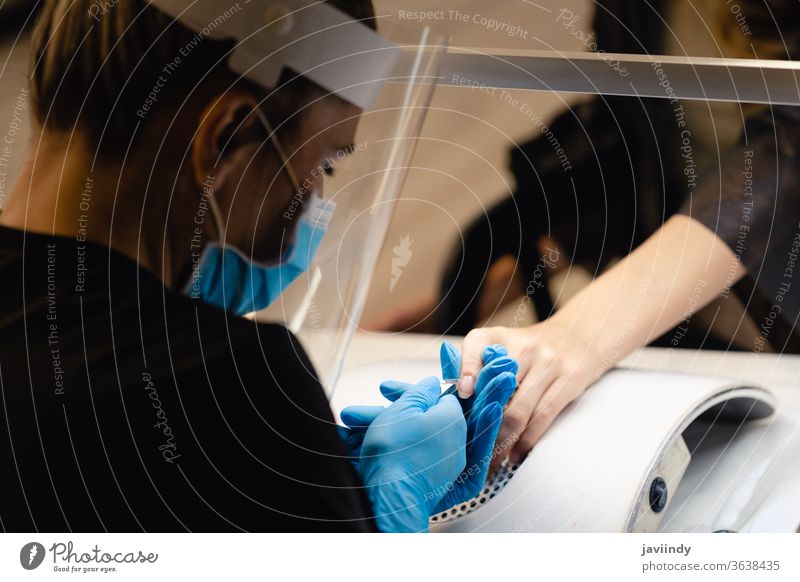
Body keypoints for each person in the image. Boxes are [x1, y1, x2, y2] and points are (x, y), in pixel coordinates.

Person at [0, 0, 516, 533]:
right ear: (228, 135)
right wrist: (394, 503)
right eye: (325, 163)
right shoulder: (230, 384)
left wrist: (319, 488)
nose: (317, 198)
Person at [448, 0, 800, 471]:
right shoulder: (631, 9)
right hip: (690, 322)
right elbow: (627, 146)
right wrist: (512, 269)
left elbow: (777, 169)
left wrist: (574, 334)